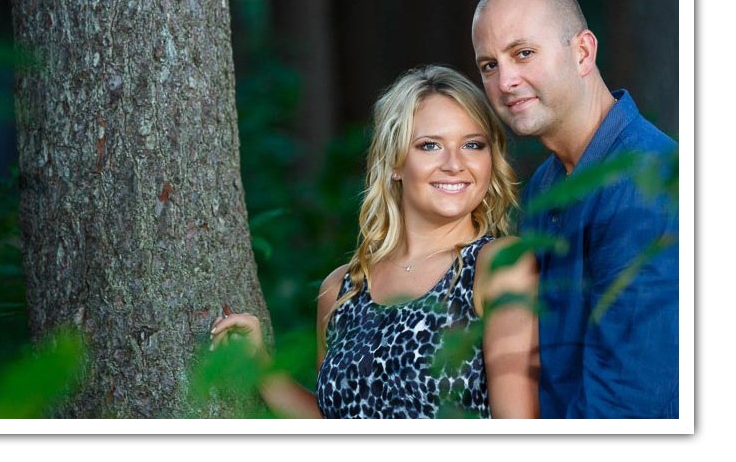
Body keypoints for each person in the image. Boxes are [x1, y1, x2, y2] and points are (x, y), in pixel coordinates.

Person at [211, 65, 539, 418]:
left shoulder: (499, 266)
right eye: (430, 146)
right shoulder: (341, 289)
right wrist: (261, 369)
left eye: (473, 145)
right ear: (395, 161)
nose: (455, 164)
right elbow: (331, 428)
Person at [470, 0, 679, 418]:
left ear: (583, 52)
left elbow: (631, 410)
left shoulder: (650, 185)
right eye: (489, 65)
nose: (505, 81)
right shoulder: (547, 186)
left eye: (523, 53)